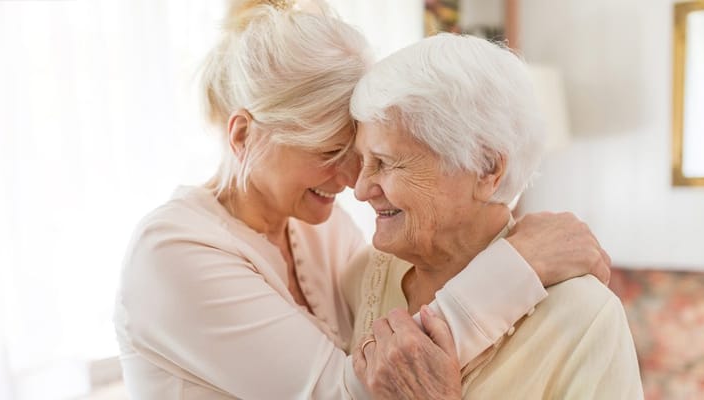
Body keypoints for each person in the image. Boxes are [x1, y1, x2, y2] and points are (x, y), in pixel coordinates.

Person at [114, 1, 611, 399]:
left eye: (365, 153)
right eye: (330, 152)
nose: (353, 182)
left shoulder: (318, 228)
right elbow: (353, 389)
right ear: (243, 136)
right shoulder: (173, 254)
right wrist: (518, 265)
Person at [346, 33, 643, 399]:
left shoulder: (585, 318)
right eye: (363, 162)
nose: (361, 189)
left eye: (386, 163)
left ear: (487, 169)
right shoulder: (362, 277)